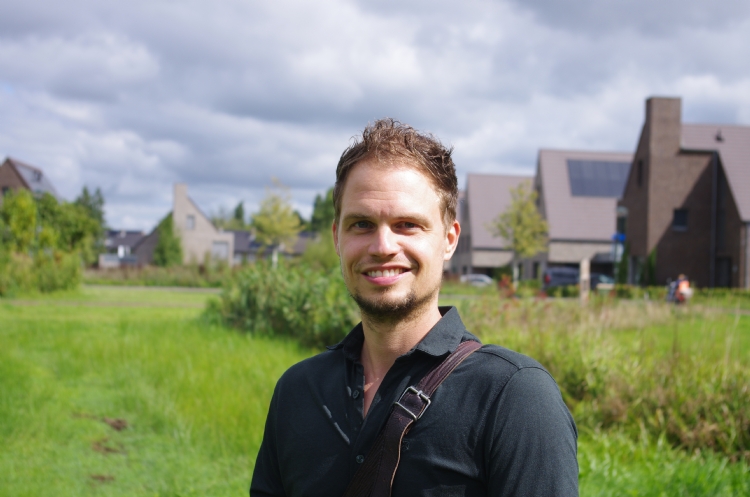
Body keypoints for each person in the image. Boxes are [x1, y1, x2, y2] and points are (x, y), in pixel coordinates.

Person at [250, 119, 578, 497]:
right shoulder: (298, 390)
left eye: (407, 224)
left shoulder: (514, 397)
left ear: (449, 239)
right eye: (361, 224)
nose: (382, 246)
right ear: (337, 237)